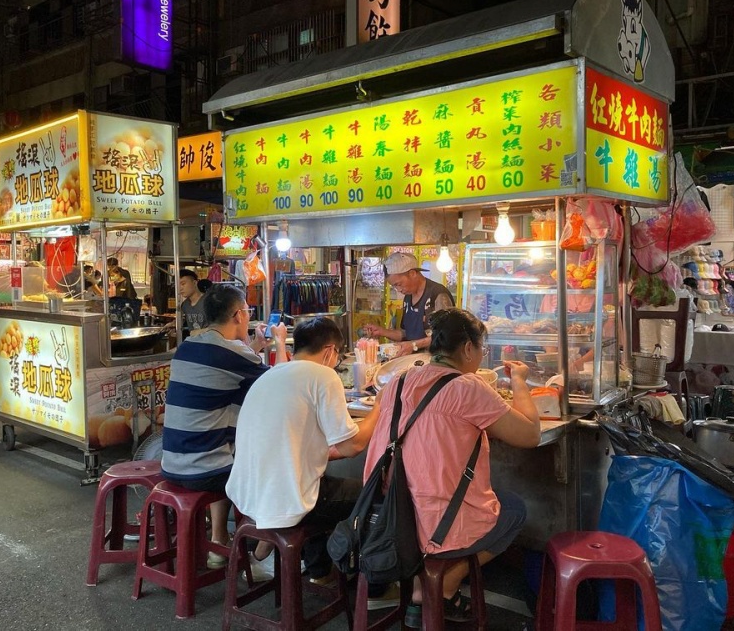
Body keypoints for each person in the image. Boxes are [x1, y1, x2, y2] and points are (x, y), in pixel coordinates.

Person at [363, 308, 540, 625]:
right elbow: (530, 434)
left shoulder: (398, 382)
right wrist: (519, 382)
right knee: (514, 508)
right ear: (469, 348)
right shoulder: (468, 388)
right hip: (436, 525)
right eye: (482, 348)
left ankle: (423, 581)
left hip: (390, 516)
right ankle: (442, 584)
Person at [227, 316, 390, 599]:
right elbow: (354, 446)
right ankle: (375, 589)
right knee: (377, 495)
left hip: (247, 495)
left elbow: (303, 448)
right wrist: (381, 404)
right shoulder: (322, 376)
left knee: (317, 484)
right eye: (338, 355)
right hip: (286, 498)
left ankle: (320, 573)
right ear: (329, 351)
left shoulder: (271, 374)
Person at [161, 284, 288, 576]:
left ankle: (219, 540)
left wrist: (254, 346)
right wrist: (279, 343)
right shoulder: (234, 354)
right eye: (247, 312)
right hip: (204, 468)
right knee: (274, 465)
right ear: (237, 315)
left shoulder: (189, 345)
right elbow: (283, 382)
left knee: (227, 449)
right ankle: (258, 552)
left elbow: (224, 368)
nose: (249, 317)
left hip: (173, 461)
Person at [363, 252, 455, 357]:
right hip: (413, 361)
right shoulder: (408, 297)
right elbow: (406, 334)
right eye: (394, 286)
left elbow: (445, 335)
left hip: (436, 362)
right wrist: (381, 332)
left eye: (399, 284)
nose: (398, 290)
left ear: (412, 274)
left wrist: (414, 345)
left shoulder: (437, 294)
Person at [177, 269, 206, 338]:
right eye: (177, 285)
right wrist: (173, 324)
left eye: (183, 284)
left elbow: (220, 327)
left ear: (195, 283)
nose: (180, 288)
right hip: (194, 343)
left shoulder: (208, 301)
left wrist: (201, 331)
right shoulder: (185, 305)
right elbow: (184, 320)